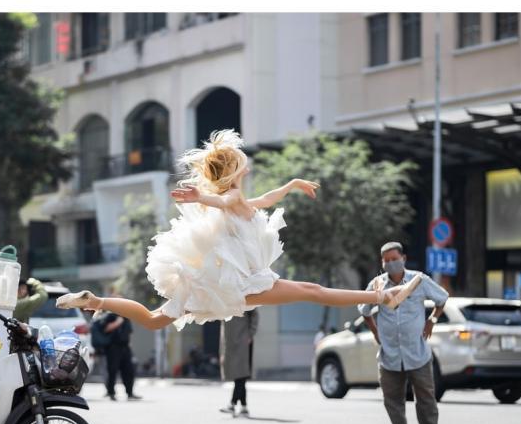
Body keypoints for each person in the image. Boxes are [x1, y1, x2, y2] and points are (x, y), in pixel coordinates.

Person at [57, 130, 421, 328]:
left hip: (219, 285)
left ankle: (96, 301)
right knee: (314, 290)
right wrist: (203, 195)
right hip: (243, 284)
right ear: (235, 171)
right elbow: (226, 202)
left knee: (154, 320)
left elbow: (264, 200)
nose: (247, 169)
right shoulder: (229, 197)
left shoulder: (239, 200)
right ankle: (383, 297)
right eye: (243, 166)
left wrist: (293, 183)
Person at [358, 242, 460, 424]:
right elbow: (364, 310)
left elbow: (442, 298)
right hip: (390, 354)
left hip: (417, 352)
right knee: (392, 400)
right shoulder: (377, 284)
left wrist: (432, 319)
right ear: (382, 263)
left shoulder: (419, 280)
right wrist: (375, 332)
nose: (391, 264)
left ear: (403, 258)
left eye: (394, 259)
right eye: (386, 261)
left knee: (426, 398)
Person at [91, 308, 141, 401]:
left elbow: (129, 333)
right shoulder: (110, 316)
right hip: (113, 347)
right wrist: (118, 322)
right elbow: (106, 329)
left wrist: (129, 346)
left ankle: (130, 393)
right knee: (112, 371)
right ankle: (111, 393)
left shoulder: (126, 318)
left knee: (129, 371)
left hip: (125, 347)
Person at [219, 309, 259, 417]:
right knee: (239, 374)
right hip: (230, 341)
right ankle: (244, 406)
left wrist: (250, 334)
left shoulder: (245, 293)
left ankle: (232, 404)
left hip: (242, 339)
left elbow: (254, 314)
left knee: (241, 373)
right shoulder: (224, 296)